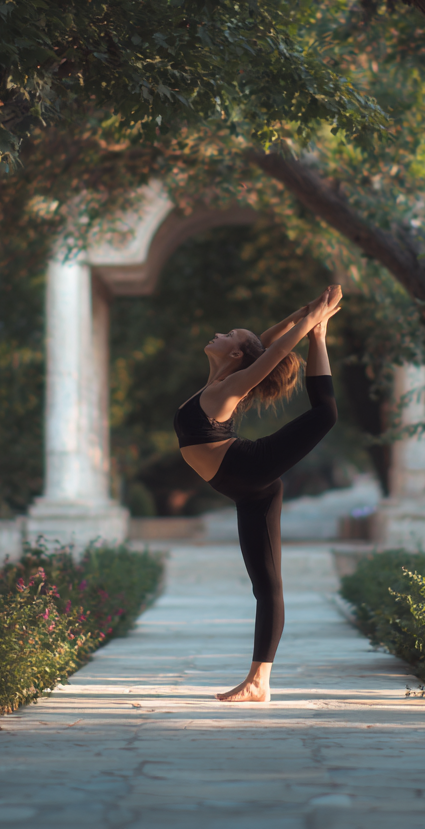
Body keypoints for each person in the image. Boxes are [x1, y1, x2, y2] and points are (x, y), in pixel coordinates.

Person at [173, 284, 343, 702]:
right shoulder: (219, 382)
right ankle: (259, 682)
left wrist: (312, 326)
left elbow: (264, 354)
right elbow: (263, 343)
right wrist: (304, 311)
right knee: (265, 585)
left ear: (233, 354)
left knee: (326, 414)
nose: (219, 334)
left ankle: (257, 680)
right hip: (249, 491)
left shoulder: (227, 389)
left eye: (228, 334)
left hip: (250, 468)